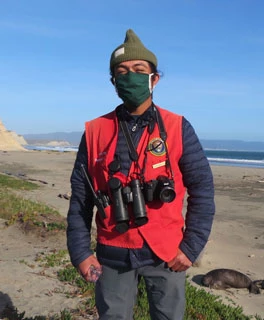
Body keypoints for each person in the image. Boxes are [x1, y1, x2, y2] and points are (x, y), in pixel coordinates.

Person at [65, 29, 216, 320]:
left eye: (138, 70)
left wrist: (191, 247)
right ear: (114, 82)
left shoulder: (177, 127)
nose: (130, 76)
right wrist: (81, 253)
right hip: (112, 254)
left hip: (167, 254)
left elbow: (203, 190)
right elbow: (81, 198)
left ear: (154, 78)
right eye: (122, 72)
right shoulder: (95, 131)